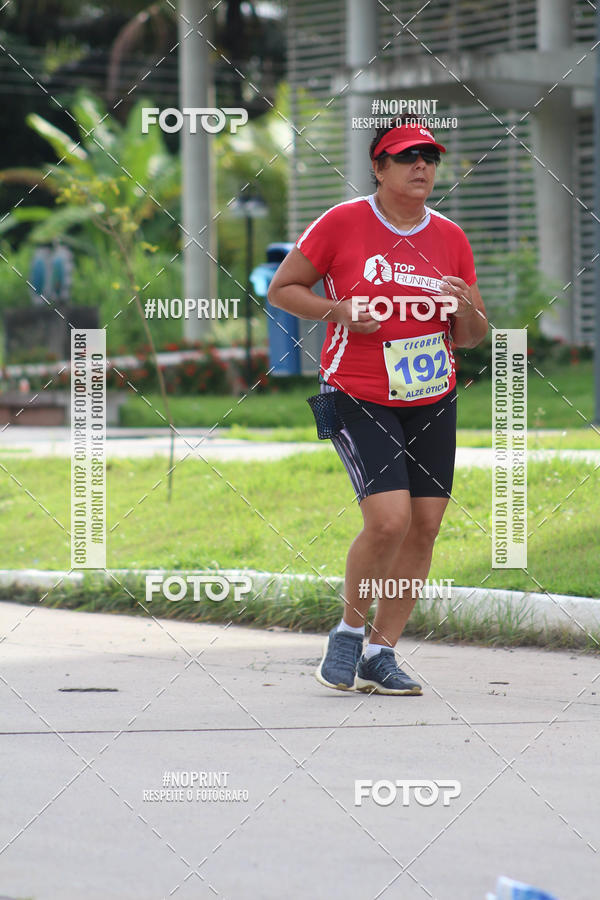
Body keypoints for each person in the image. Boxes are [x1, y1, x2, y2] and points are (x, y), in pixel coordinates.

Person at [267, 118, 488, 695]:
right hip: (358, 391)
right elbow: (283, 288)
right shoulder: (343, 222)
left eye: (430, 157)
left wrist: (465, 306)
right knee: (388, 519)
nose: (422, 166)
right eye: (408, 156)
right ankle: (347, 633)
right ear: (379, 167)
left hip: (432, 397)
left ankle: (380, 654)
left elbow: (470, 335)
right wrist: (338, 311)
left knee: (426, 526)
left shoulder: (451, 237)